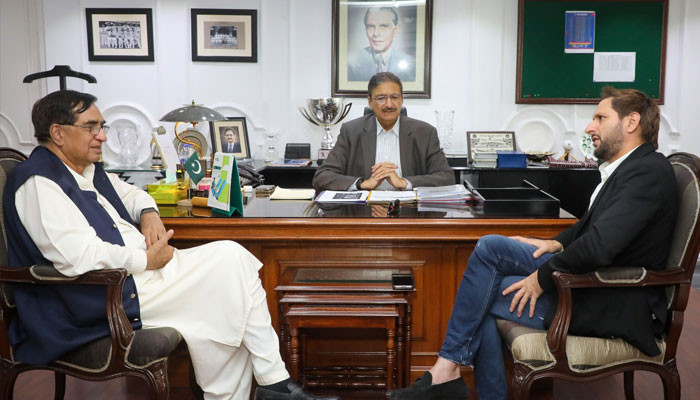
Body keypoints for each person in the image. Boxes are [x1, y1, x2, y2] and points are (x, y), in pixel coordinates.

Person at [3, 90, 339, 400]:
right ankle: (274, 386)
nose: (102, 136)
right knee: (231, 274)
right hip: (103, 298)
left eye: (101, 126)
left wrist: (149, 213)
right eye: (92, 127)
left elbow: (133, 194)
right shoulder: (39, 183)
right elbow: (79, 258)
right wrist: (146, 259)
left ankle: (271, 386)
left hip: (137, 276)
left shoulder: (84, 169)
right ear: (58, 132)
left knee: (232, 277)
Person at [385, 86, 678, 400]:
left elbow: (600, 246)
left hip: (611, 300)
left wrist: (542, 278)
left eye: (600, 117)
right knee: (484, 278)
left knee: (486, 272)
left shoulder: (646, 173)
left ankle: (447, 373)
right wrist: (555, 243)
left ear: (631, 122)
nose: (590, 127)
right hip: (590, 284)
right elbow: (591, 228)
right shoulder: (634, 169)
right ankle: (449, 374)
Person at [312, 72, 453, 192]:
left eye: (395, 97)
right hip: (363, 213)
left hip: (409, 214)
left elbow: (446, 177)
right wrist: (363, 183)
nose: (389, 104)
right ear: (370, 102)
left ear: (402, 100)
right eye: (381, 98)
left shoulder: (425, 133)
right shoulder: (351, 132)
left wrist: (404, 183)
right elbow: (322, 176)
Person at [347, 6, 416, 82]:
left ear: (396, 30)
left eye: (383, 26)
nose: (376, 34)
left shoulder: (411, 64)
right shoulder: (351, 63)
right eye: (370, 26)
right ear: (365, 29)